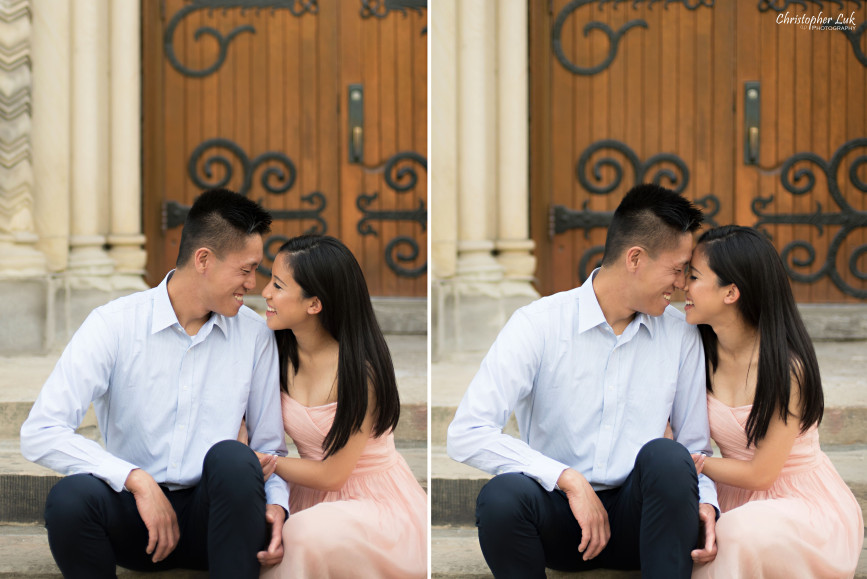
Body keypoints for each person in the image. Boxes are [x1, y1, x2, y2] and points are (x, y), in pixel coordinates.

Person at [448, 183, 720, 578]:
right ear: (635, 259)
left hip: (642, 525)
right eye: (677, 269)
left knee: (668, 456)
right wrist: (567, 479)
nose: (682, 283)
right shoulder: (538, 324)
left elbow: (695, 449)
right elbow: (467, 432)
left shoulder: (681, 335)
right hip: (561, 522)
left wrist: (707, 505)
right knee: (502, 497)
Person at [20, 189, 290, 579]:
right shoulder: (113, 324)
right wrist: (136, 480)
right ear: (203, 260)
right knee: (69, 499)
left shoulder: (255, 335)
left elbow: (268, 448)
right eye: (246, 269)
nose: (254, 283)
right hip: (136, 523)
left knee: (232, 458)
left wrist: (277, 505)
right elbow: (41, 431)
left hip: (216, 525)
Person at [684, 225, 863, 578]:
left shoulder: (785, 368)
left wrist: (691, 463)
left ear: (730, 292)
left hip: (800, 504)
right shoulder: (696, 350)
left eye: (693, 276)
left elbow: (761, 474)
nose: (681, 286)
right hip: (731, 495)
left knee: (736, 532)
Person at [255, 234, 427, 579]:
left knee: (303, 534)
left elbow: (334, 475)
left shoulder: (361, 372)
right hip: (306, 494)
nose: (265, 293)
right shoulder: (273, 347)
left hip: (372, 503)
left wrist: (266, 463)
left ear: (314, 304)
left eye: (277, 285)